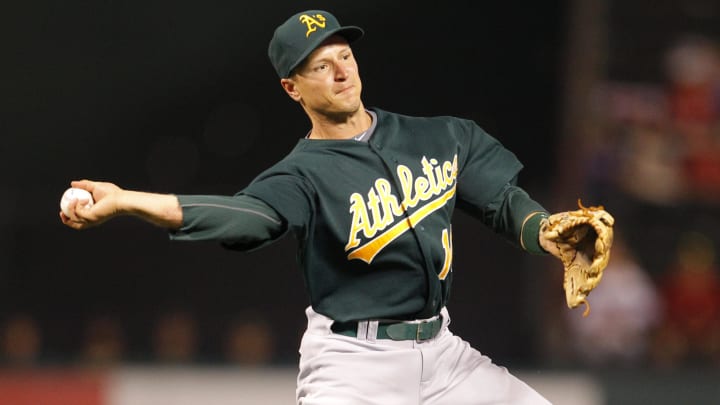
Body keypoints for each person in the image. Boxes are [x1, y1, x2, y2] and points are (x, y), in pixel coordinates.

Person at [61, 9, 562, 404]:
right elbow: (244, 220)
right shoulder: (301, 175)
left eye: (345, 55)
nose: (342, 72)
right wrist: (127, 200)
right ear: (292, 87)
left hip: (445, 354)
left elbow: (500, 201)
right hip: (353, 363)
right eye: (322, 66)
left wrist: (544, 230)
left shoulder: (438, 136)